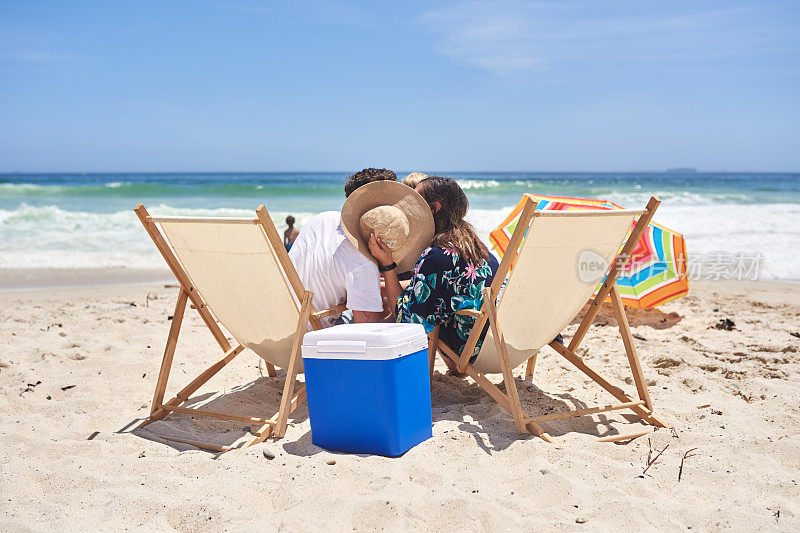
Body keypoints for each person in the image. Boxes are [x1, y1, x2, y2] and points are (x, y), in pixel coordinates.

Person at [374, 176, 498, 370]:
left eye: (415, 202)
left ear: (434, 208)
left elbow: (406, 321)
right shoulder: (484, 253)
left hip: (466, 351)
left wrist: (387, 265)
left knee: (426, 313)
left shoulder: (436, 256)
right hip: (495, 346)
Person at [288, 168, 433, 325]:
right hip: (309, 334)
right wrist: (399, 320)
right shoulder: (363, 261)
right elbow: (367, 329)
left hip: (281, 319)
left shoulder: (322, 219)